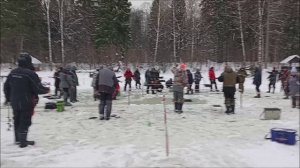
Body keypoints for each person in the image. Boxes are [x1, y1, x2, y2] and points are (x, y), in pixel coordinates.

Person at [4, 53, 49, 148]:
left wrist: (8, 98)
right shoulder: (30, 74)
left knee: (17, 119)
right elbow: (38, 88)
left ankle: (18, 139)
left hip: (14, 101)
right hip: (26, 101)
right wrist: (47, 90)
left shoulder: (13, 72)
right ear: (28, 62)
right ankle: (23, 142)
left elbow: (6, 87)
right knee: (25, 120)